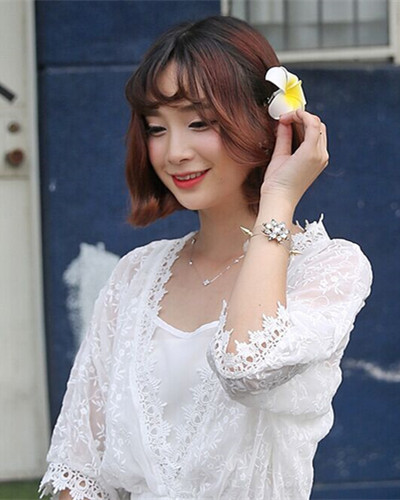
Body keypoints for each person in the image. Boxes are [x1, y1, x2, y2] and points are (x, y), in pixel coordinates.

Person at [39, 15, 372, 500]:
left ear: (264, 122)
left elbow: (248, 366)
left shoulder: (328, 268)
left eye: (198, 122)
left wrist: (279, 197)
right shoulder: (135, 275)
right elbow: (79, 467)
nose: (174, 151)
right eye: (156, 128)